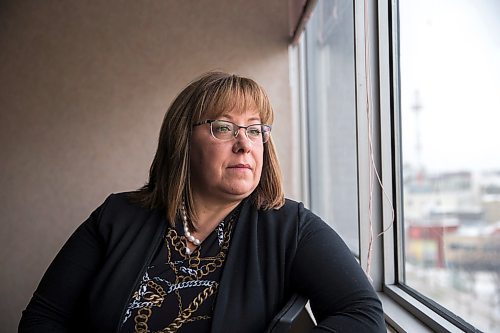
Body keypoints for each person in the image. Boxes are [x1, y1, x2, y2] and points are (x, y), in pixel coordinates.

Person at [19, 72, 386, 332]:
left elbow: (363, 314)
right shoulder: (116, 217)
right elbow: (43, 317)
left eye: (255, 130)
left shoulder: (291, 227)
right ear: (184, 141)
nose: (244, 143)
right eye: (224, 128)